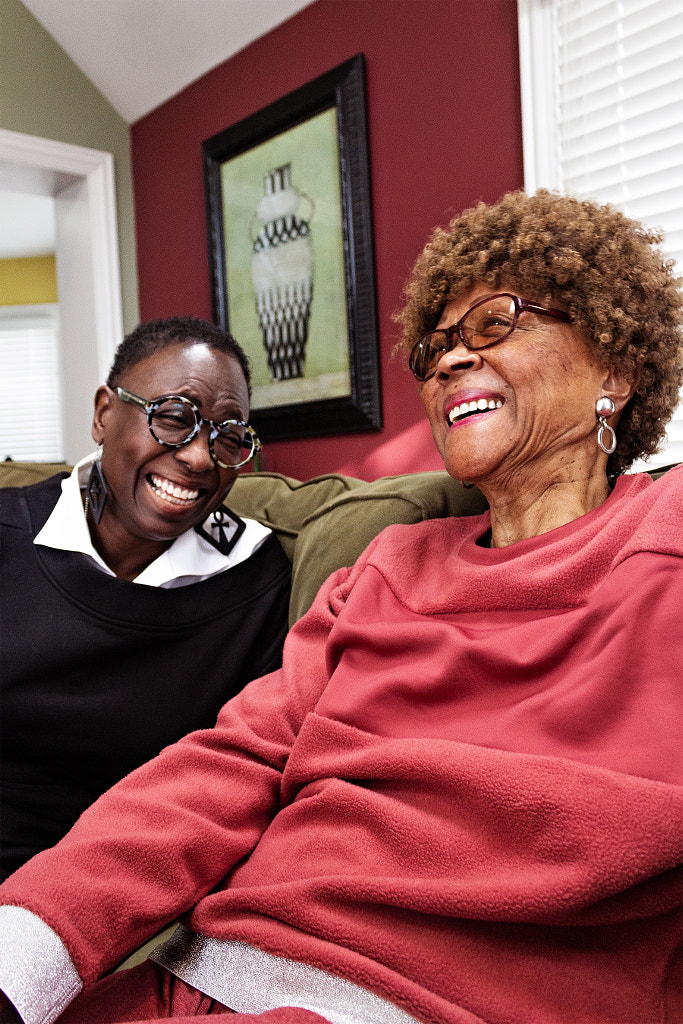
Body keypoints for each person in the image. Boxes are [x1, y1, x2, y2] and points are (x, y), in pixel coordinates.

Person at [1, 190, 682, 1024]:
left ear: (614, 366)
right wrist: (25, 950)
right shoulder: (390, 564)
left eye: (494, 324)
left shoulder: (665, 539)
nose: (448, 362)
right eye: (437, 345)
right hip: (210, 976)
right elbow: (228, 765)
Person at [0, 316, 291, 879]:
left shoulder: (254, 583)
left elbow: (239, 782)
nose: (202, 458)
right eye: (176, 417)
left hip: (115, 889)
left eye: (229, 435)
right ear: (104, 414)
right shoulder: (7, 533)